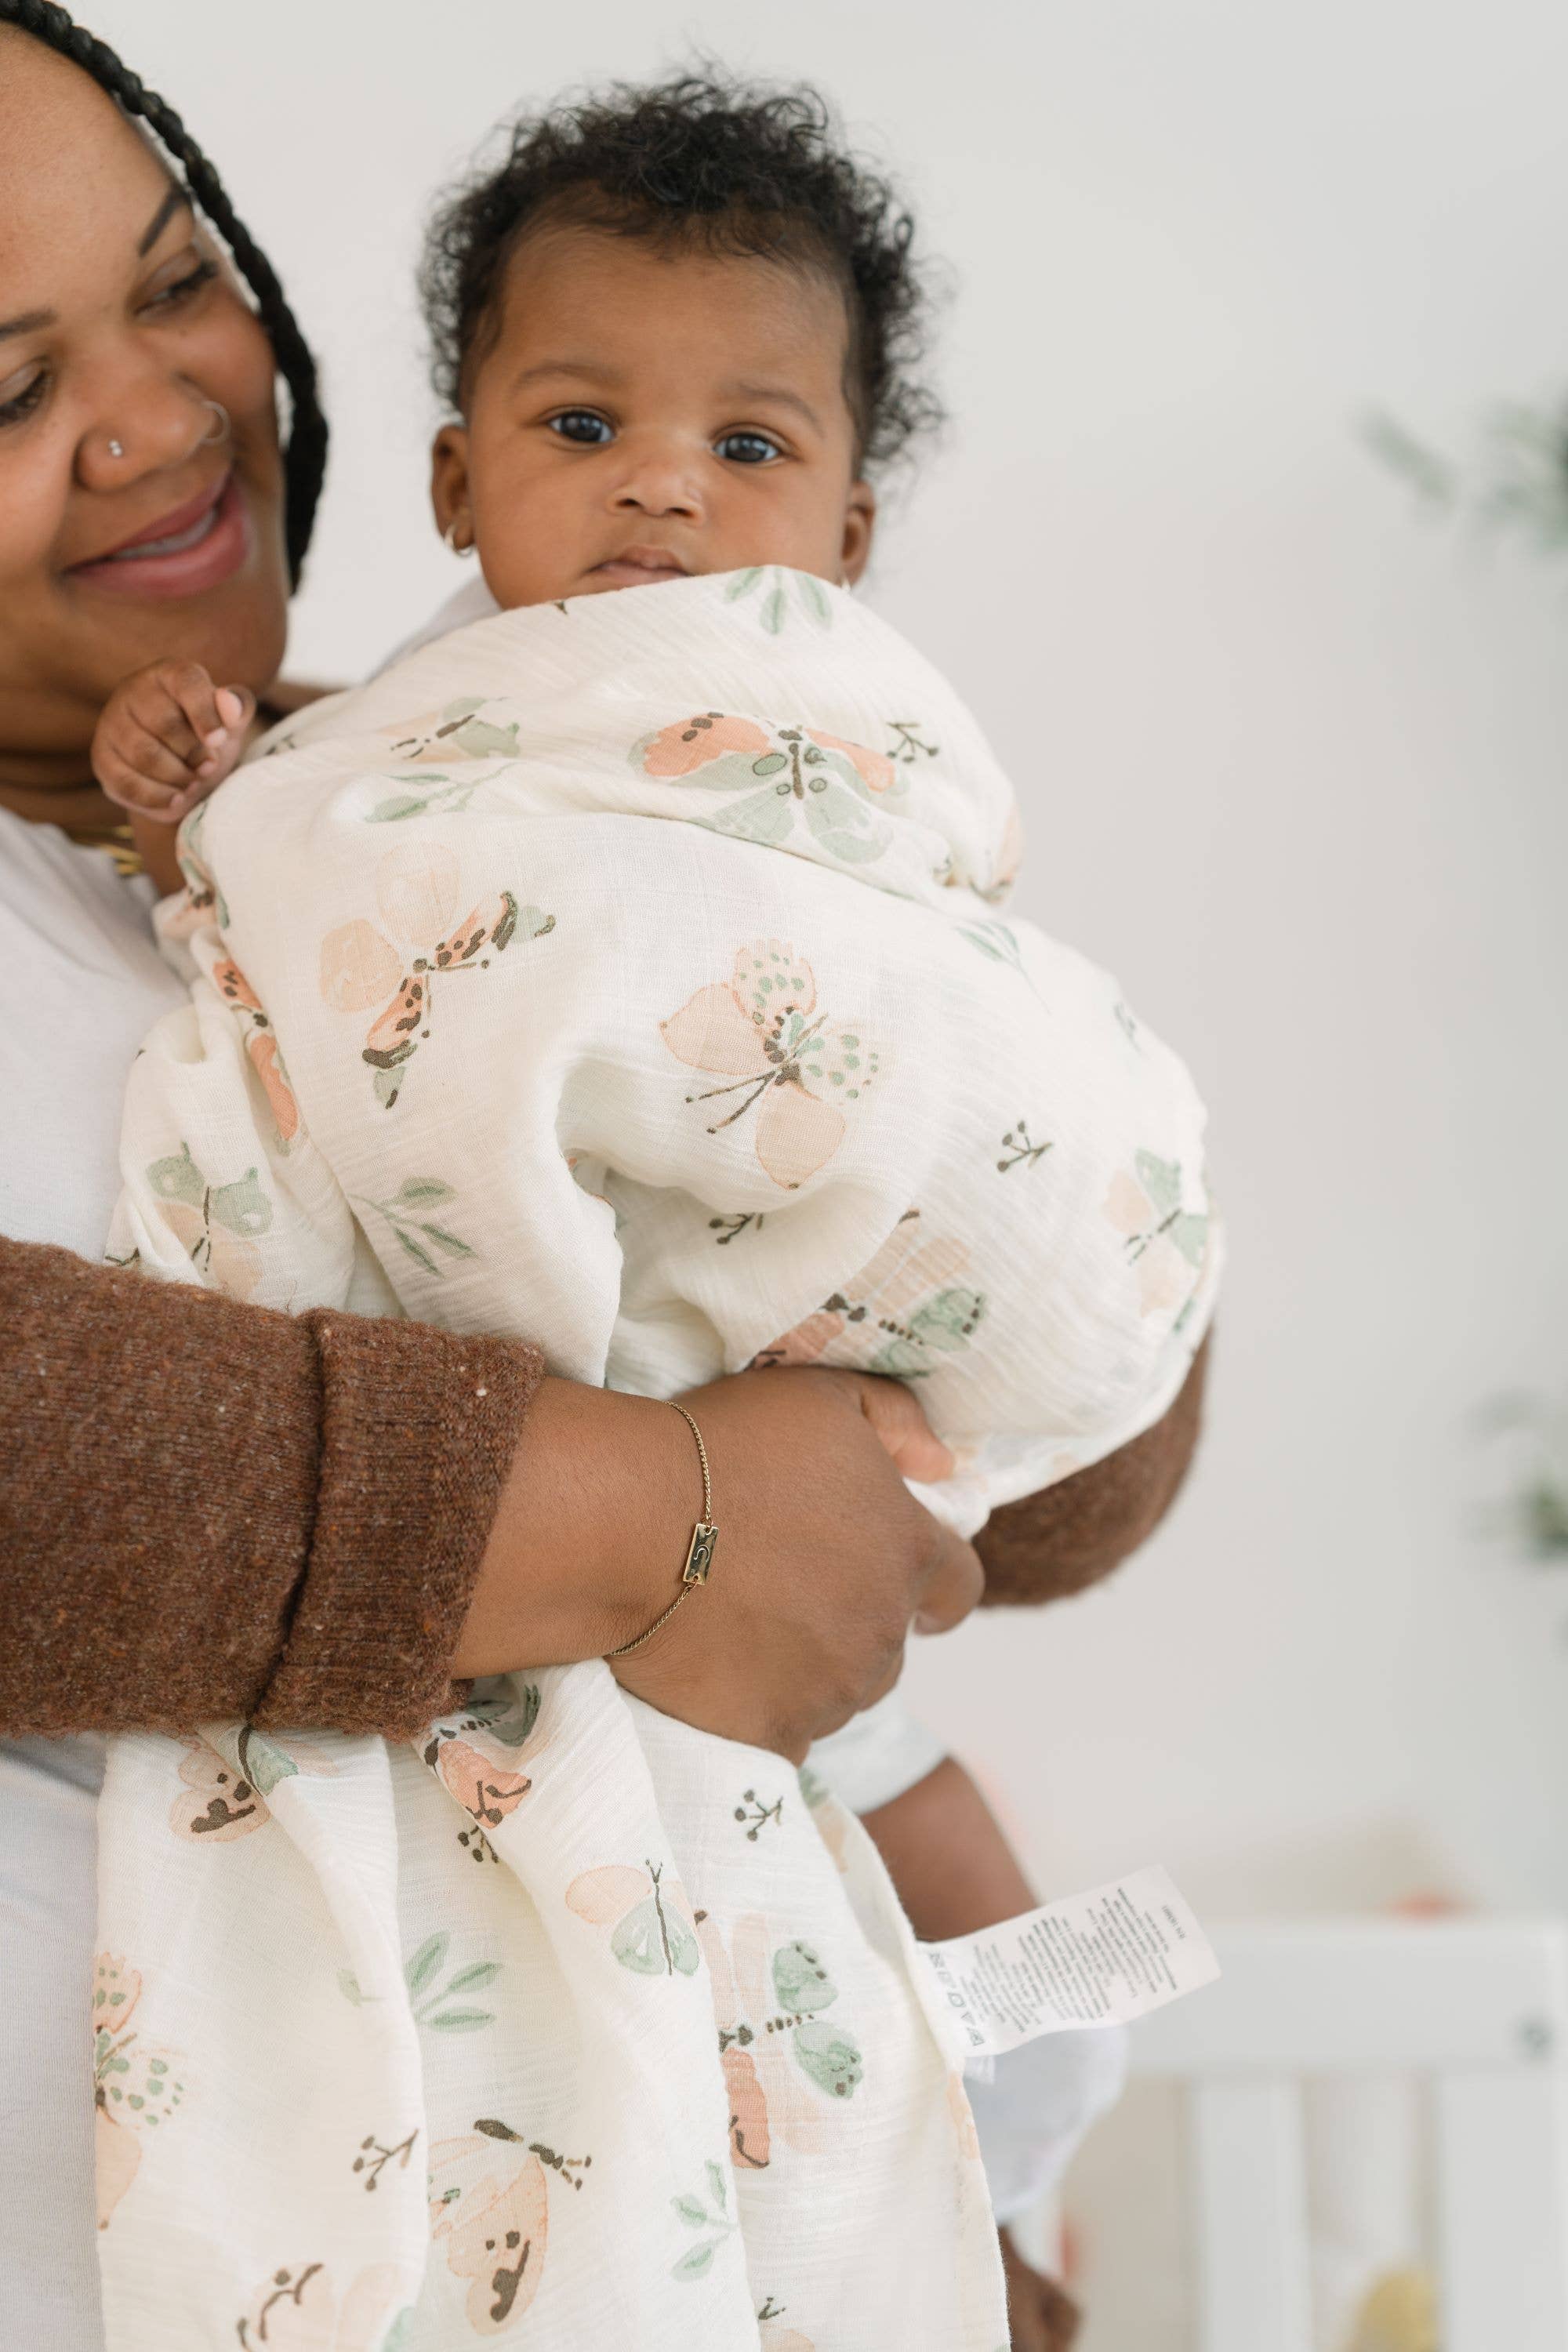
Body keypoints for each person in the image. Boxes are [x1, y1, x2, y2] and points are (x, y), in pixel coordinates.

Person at [0, 13, 1206, 2350]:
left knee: (963, 1921)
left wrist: (961, 1167)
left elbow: (1063, 1476)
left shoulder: (458, 757)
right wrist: (660, 1505)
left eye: (175, 283)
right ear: (472, 466)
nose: (159, 416)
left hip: (738, 1825)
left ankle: (1015, 2133)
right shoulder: (317, 798)